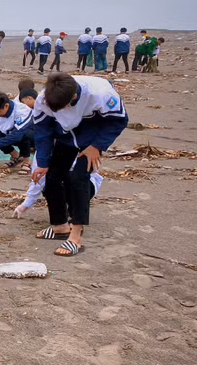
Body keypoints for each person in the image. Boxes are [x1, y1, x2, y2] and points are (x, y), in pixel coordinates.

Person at [32, 73, 128, 256]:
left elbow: (119, 120)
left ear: (74, 96)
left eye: (64, 107)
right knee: (52, 178)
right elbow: (42, 129)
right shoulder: (44, 99)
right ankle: (60, 226)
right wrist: (43, 162)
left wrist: (97, 146)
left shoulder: (100, 93)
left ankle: (75, 236)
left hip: (92, 136)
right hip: (66, 137)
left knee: (78, 178)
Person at [14, 157, 103, 218]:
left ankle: (75, 215)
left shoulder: (81, 144)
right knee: (51, 179)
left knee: (71, 177)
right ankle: (60, 215)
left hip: (84, 184)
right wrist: (25, 205)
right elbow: (37, 180)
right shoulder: (43, 150)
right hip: (59, 182)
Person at [0, 91, 35, 171]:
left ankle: (26, 160)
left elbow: (16, 136)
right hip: (12, 133)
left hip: (32, 136)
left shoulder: (22, 111)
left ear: (6, 106)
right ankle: (15, 156)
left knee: (24, 135)